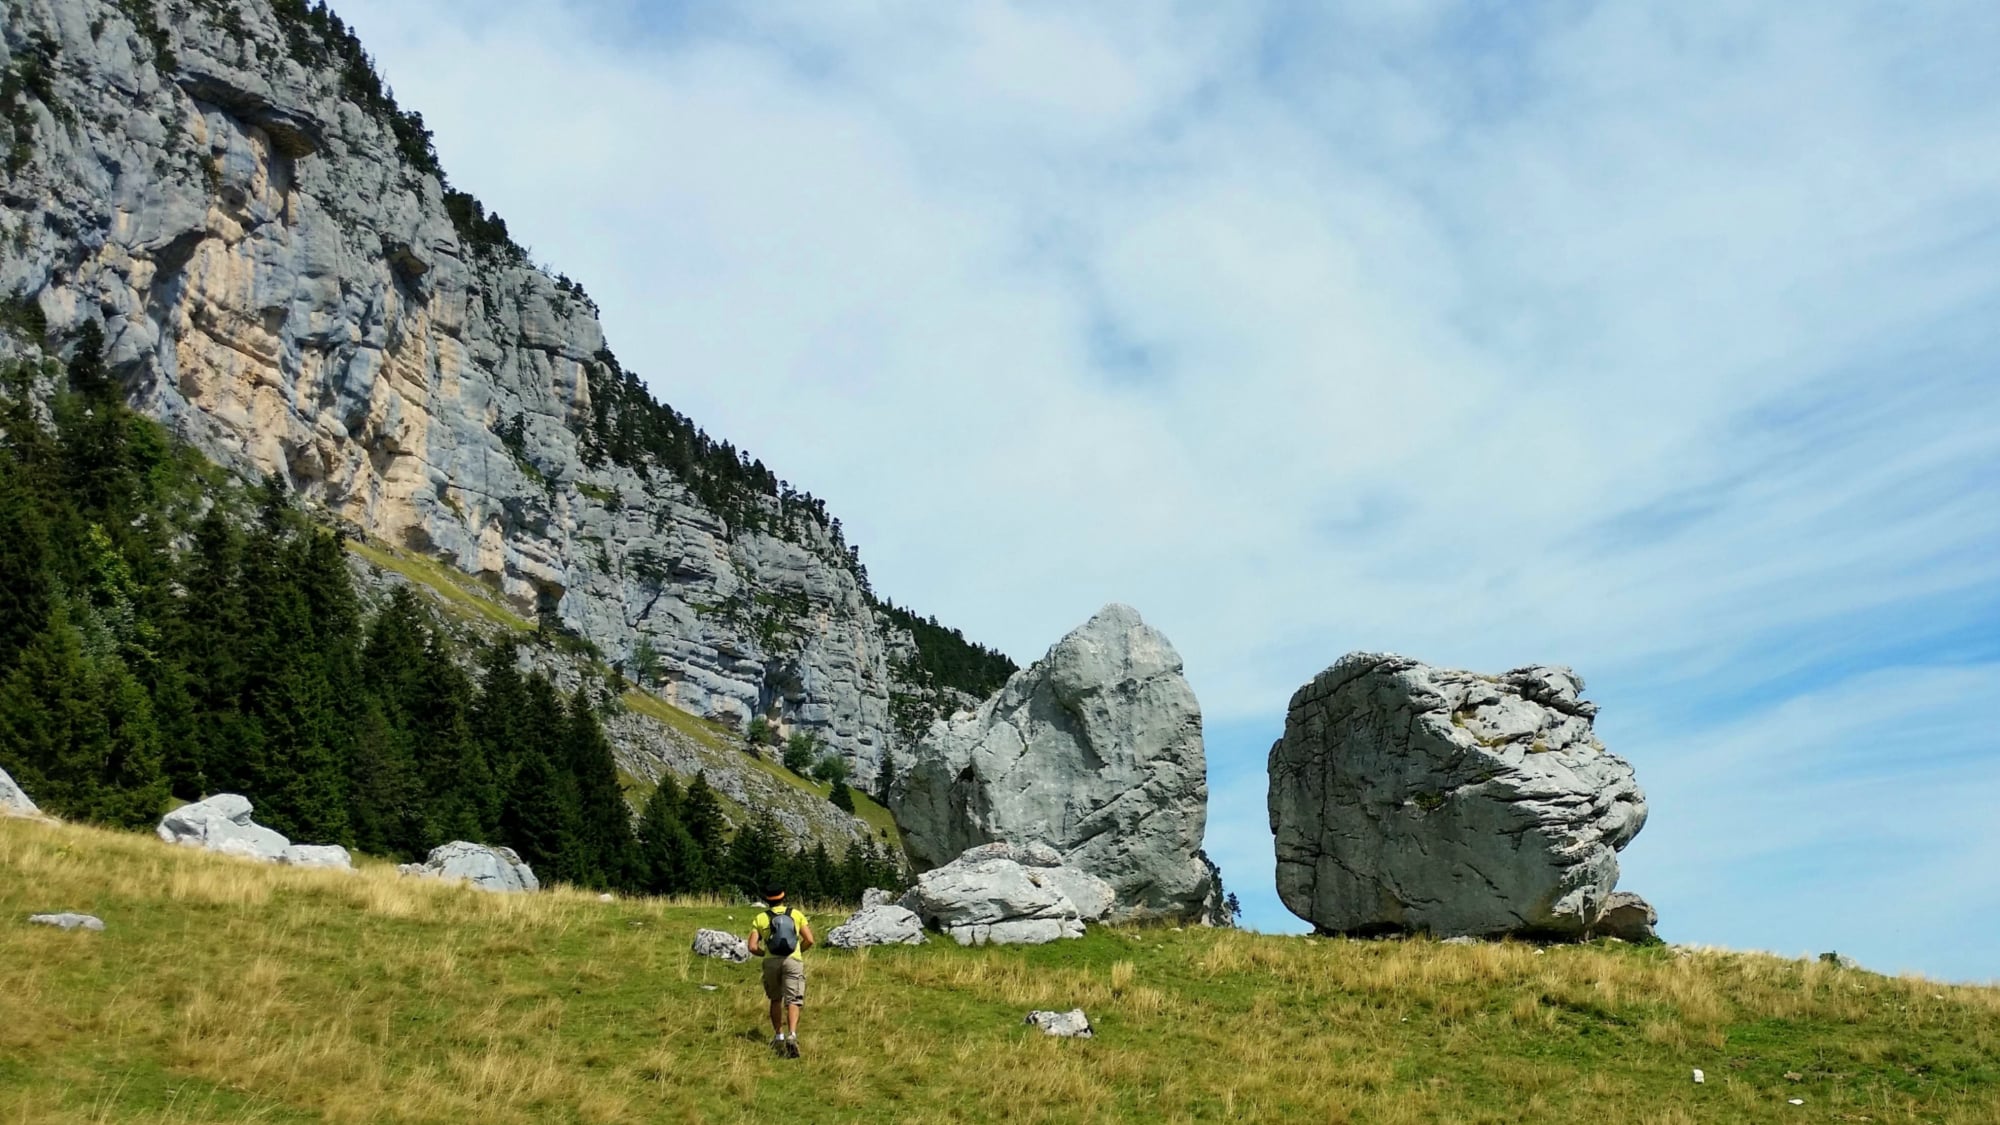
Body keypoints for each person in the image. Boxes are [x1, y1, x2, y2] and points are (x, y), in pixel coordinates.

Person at [748, 884, 813, 1057]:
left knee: (775, 999)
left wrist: (765, 954)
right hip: (793, 961)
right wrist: (798, 951)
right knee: (793, 999)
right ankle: (792, 1035)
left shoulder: (761, 917)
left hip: (771, 962)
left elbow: (752, 946)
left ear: (767, 900)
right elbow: (810, 939)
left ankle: (779, 1036)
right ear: (783, 896)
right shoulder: (796, 914)